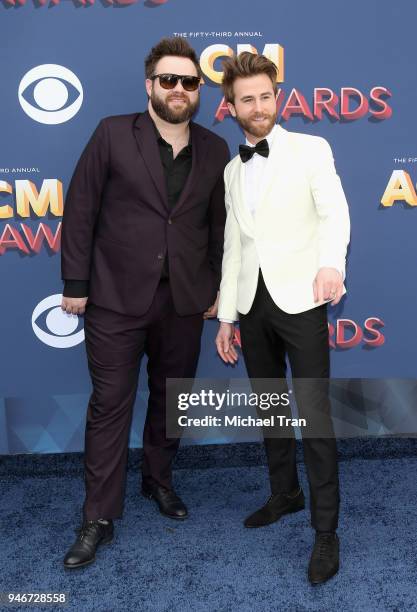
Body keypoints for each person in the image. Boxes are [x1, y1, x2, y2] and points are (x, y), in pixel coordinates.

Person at [60, 37, 230, 569]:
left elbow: (220, 230)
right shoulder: (113, 133)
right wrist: (75, 284)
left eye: (189, 82)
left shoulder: (215, 149)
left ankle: (159, 481)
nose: (179, 89)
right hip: (113, 298)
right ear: (149, 85)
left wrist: (217, 290)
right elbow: (81, 209)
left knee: (170, 399)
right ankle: (98, 516)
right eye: (168, 80)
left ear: (199, 90)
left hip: (183, 302)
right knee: (110, 405)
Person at [215, 52, 350, 585]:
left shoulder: (311, 148)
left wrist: (329, 264)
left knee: (314, 417)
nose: (259, 106)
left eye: (266, 96)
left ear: (278, 97)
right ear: (231, 108)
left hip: (302, 298)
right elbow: (232, 247)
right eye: (247, 99)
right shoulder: (230, 169)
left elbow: (333, 211)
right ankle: (284, 495)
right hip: (252, 305)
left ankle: (325, 531)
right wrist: (226, 317)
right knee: (271, 410)